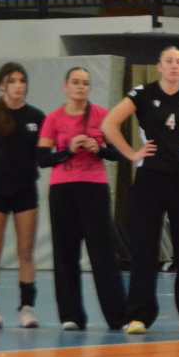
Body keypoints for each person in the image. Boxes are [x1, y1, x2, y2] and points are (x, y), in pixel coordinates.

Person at [101, 46, 179, 335]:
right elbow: (109, 124)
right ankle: (139, 316)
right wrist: (132, 154)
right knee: (144, 248)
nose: (174, 66)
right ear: (159, 66)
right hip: (150, 179)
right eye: (169, 61)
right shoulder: (142, 94)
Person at [37, 66, 127, 331]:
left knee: (103, 253)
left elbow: (119, 153)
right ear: (66, 86)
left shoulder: (102, 115)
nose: (80, 87)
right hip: (62, 190)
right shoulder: (53, 119)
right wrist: (67, 150)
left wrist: (98, 149)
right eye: (75, 82)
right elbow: (42, 159)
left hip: (94, 188)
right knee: (65, 252)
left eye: (85, 83)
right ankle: (71, 315)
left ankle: (117, 316)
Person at [0, 62, 45, 329]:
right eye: (12, 81)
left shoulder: (37, 117)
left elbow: (44, 152)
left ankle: (27, 307)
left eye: (22, 80)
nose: (18, 86)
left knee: (26, 251)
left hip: (25, 190)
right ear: (1, 85)